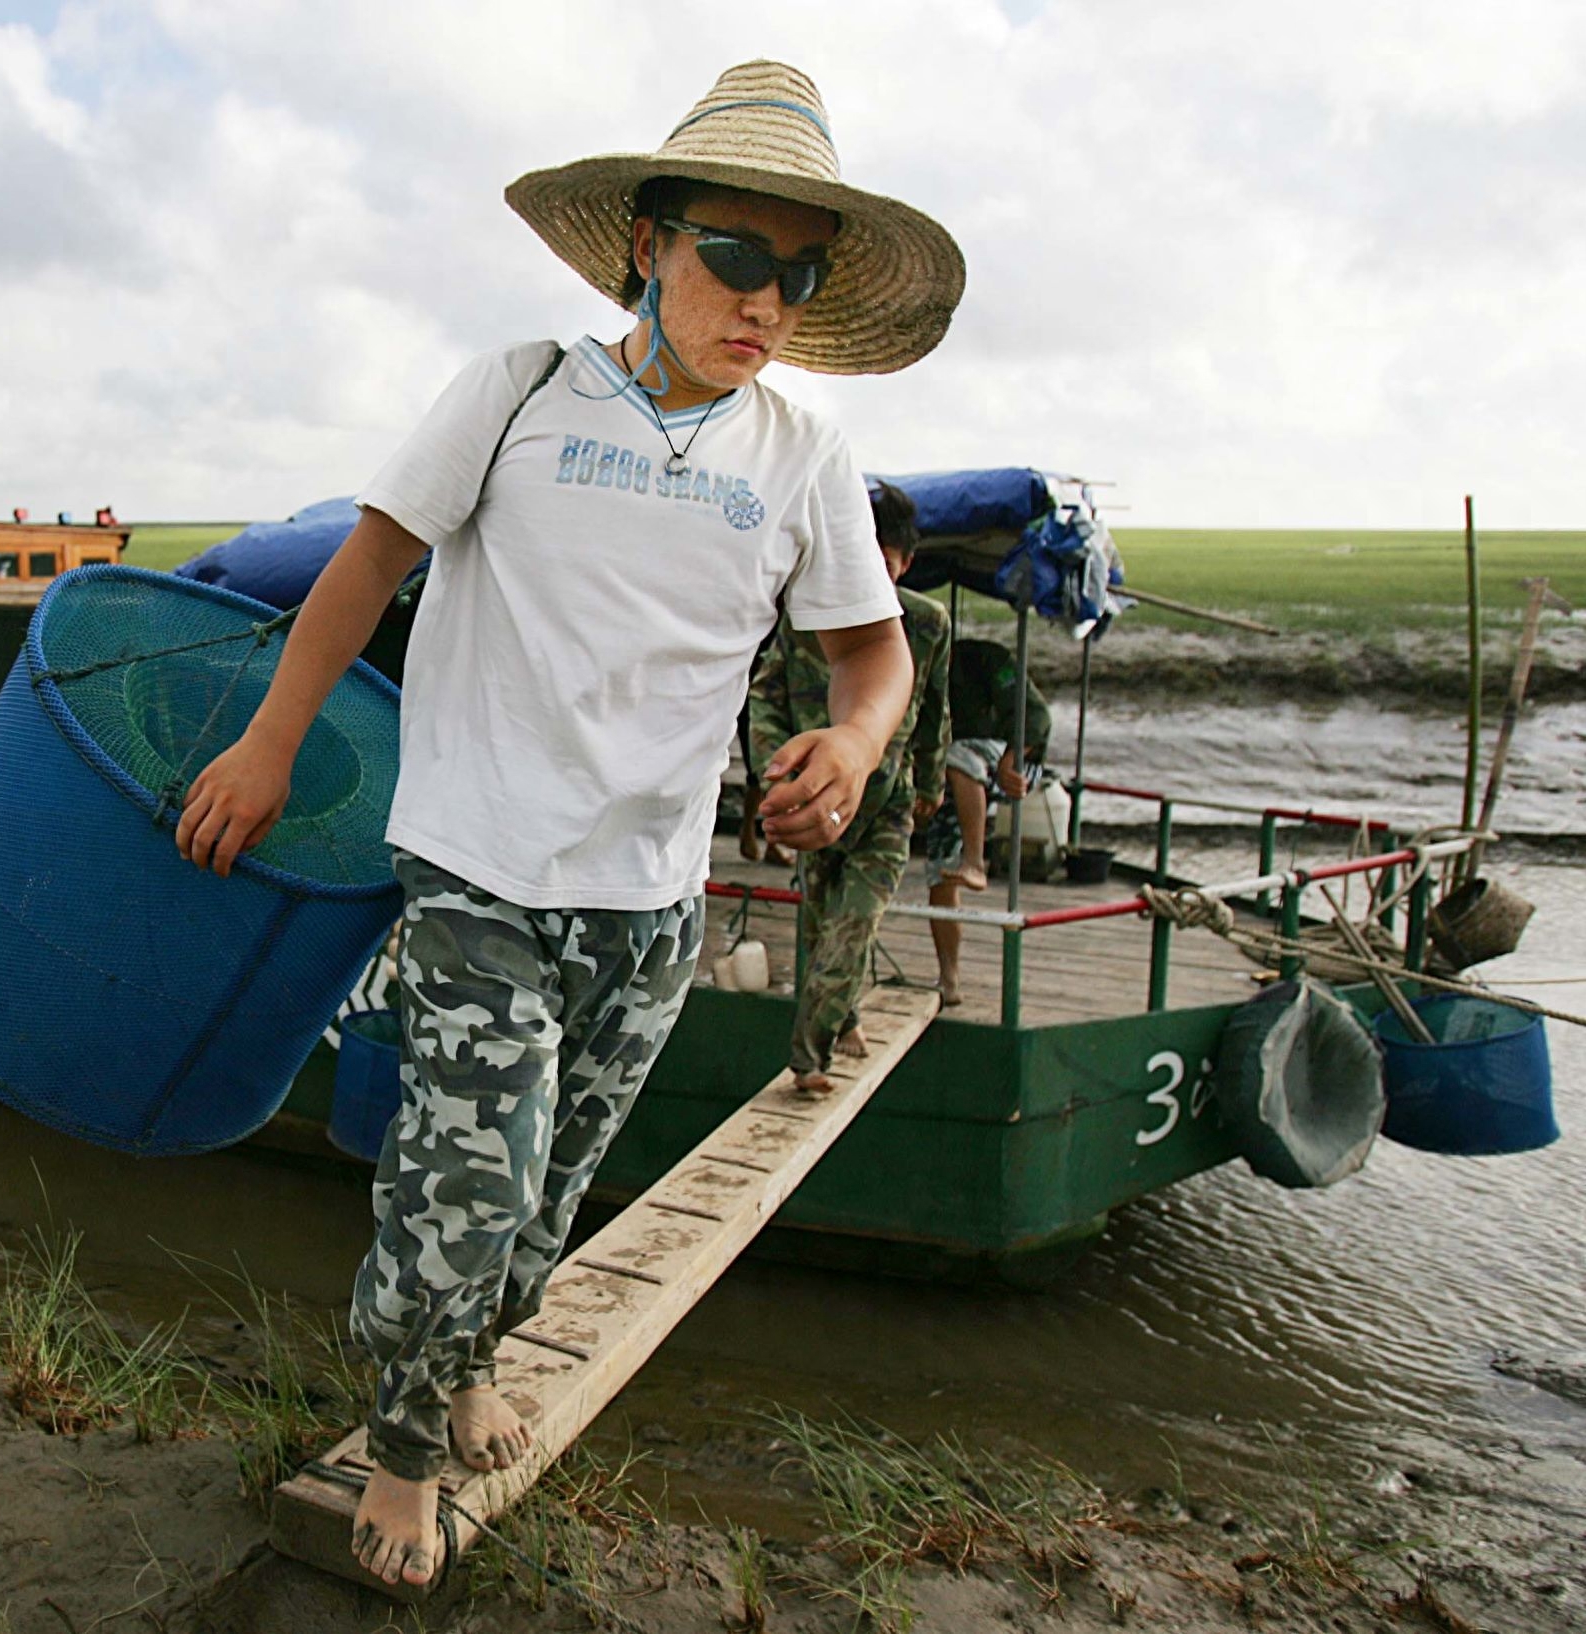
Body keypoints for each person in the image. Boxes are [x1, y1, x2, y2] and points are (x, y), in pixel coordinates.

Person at [170, 61, 962, 1591]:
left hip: (649, 898)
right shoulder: (520, 388)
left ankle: (466, 1367)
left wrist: (854, 741)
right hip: (478, 867)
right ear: (647, 245)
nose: (764, 301)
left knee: (547, 1188)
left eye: (795, 277)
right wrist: (269, 743)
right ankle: (399, 1453)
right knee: (461, 1185)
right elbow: (366, 562)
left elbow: (875, 652)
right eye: (735, 257)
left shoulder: (798, 459)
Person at [751, 480, 950, 1093]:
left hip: (887, 801)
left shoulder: (925, 624)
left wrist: (933, 782)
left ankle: (809, 1059)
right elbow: (765, 697)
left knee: (856, 922)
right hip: (818, 798)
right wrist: (774, 776)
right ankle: (846, 1019)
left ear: (904, 563)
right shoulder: (801, 619)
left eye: (884, 565)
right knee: (820, 925)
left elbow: (934, 708)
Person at [924, 635, 1052, 1004]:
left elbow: (1036, 714)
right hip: (947, 773)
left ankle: (976, 860)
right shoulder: (905, 662)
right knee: (940, 874)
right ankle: (949, 977)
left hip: (1003, 754)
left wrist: (1015, 753)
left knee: (960, 757)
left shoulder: (987, 659)